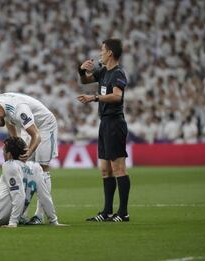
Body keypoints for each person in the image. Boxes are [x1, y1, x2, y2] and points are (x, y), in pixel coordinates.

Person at [0, 92, 58, 225]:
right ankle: (21, 213)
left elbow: (36, 136)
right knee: (19, 164)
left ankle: (39, 215)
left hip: (44, 125)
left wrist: (28, 152)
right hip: (26, 126)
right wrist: (15, 142)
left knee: (42, 167)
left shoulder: (19, 110)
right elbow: (9, 121)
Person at [77, 38, 131, 222]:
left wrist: (94, 98)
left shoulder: (118, 73)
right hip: (105, 123)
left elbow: (117, 97)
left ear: (109, 53)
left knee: (119, 169)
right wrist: (81, 69)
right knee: (105, 170)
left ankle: (123, 212)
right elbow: (85, 80)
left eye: (102, 50)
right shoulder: (103, 72)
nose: (100, 53)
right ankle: (107, 211)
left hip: (115, 122)